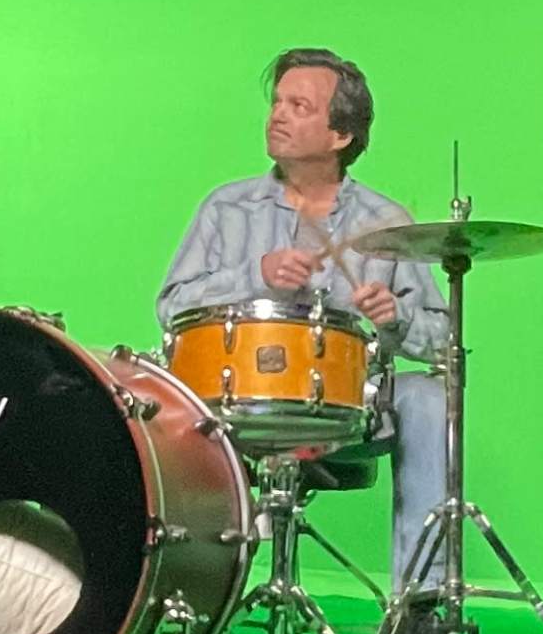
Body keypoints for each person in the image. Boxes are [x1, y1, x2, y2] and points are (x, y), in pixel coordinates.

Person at [158, 49, 454, 589]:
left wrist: (395, 319)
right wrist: (255, 274)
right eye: (277, 102)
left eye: (299, 105)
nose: (278, 115)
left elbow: (440, 341)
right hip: (231, 406)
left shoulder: (384, 222)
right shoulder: (226, 208)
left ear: (340, 135)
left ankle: (420, 604)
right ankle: (178, 598)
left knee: (430, 397)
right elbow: (170, 305)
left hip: (342, 410)